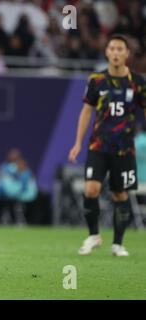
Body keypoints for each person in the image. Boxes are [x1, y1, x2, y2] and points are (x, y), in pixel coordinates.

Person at [68, 34, 146, 257]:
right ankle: (94, 235)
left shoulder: (138, 82)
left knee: (120, 195)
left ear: (127, 54)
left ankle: (118, 244)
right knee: (91, 189)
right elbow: (86, 111)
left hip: (124, 149)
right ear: (107, 52)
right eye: (112, 48)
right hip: (98, 146)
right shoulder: (96, 80)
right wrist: (77, 143)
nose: (115, 53)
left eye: (120, 49)